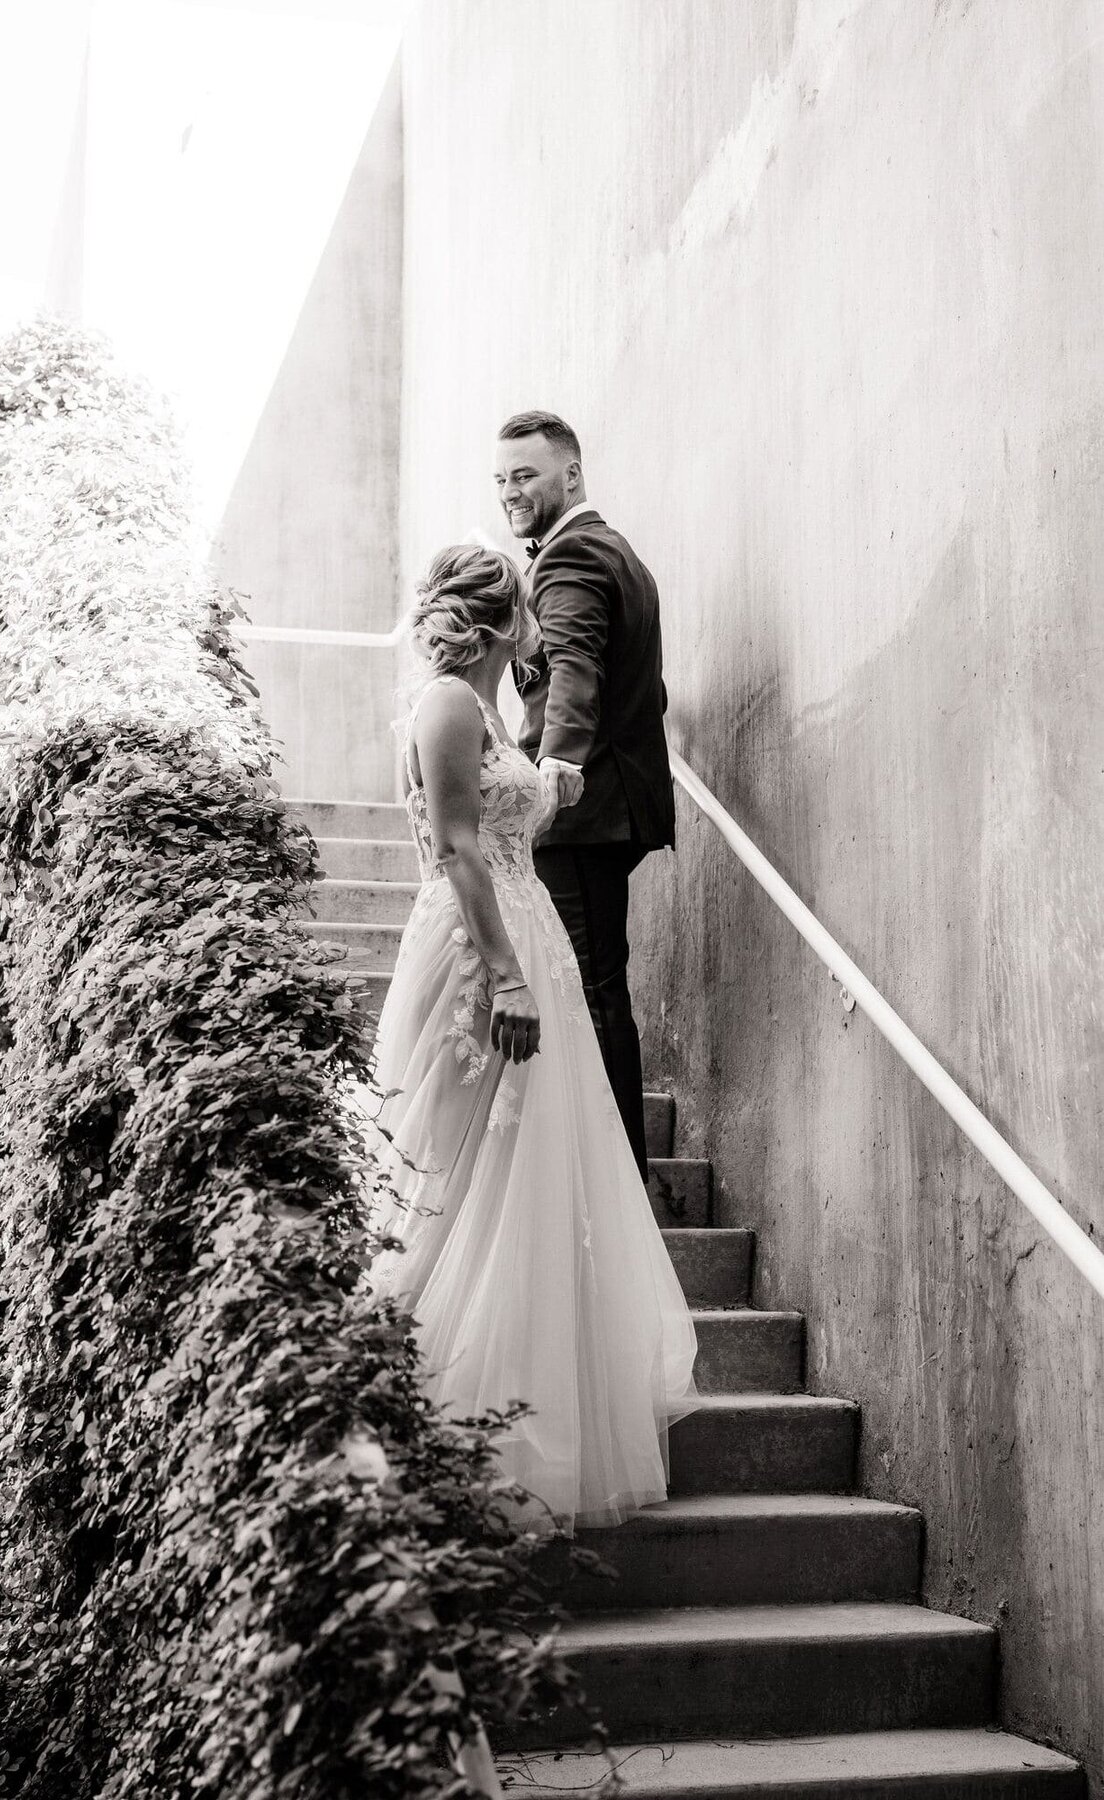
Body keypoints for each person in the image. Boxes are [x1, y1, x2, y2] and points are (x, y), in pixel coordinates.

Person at [365, 544, 697, 1531]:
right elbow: (459, 845)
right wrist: (507, 972)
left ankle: (497, 1413)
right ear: (506, 621)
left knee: (514, 1175)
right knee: (457, 1163)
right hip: (480, 954)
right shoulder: (448, 706)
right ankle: (417, 1408)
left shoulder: (483, 712)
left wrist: (551, 787)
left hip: (522, 929)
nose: (537, 633)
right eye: (529, 616)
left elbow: (502, 824)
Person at [495, 411, 675, 1181]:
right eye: (501, 478)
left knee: (594, 992)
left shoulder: (569, 559)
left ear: (570, 474)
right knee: (593, 985)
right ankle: (608, 1170)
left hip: (581, 814)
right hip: (614, 807)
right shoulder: (616, 551)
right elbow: (648, 688)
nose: (510, 491)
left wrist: (555, 768)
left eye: (525, 474)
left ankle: (619, 1179)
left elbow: (572, 670)